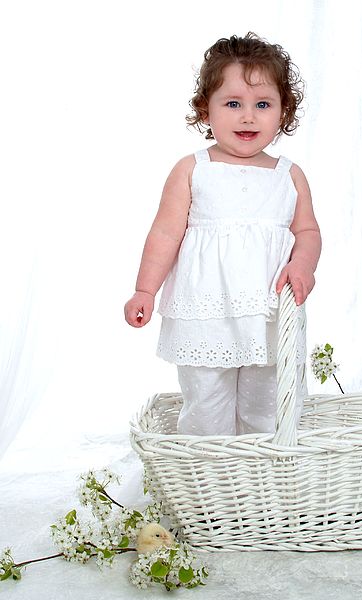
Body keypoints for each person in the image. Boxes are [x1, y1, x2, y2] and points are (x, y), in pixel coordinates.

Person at [124, 32, 321, 436]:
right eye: (233, 104)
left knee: (270, 412)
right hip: (207, 314)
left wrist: (302, 264)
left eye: (262, 105)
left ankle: (265, 486)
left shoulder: (289, 176)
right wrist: (145, 289)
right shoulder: (193, 169)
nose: (247, 117)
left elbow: (308, 231)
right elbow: (164, 234)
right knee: (205, 409)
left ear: (283, 112)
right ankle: (209, 486)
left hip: (269, 315)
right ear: (205, 108)